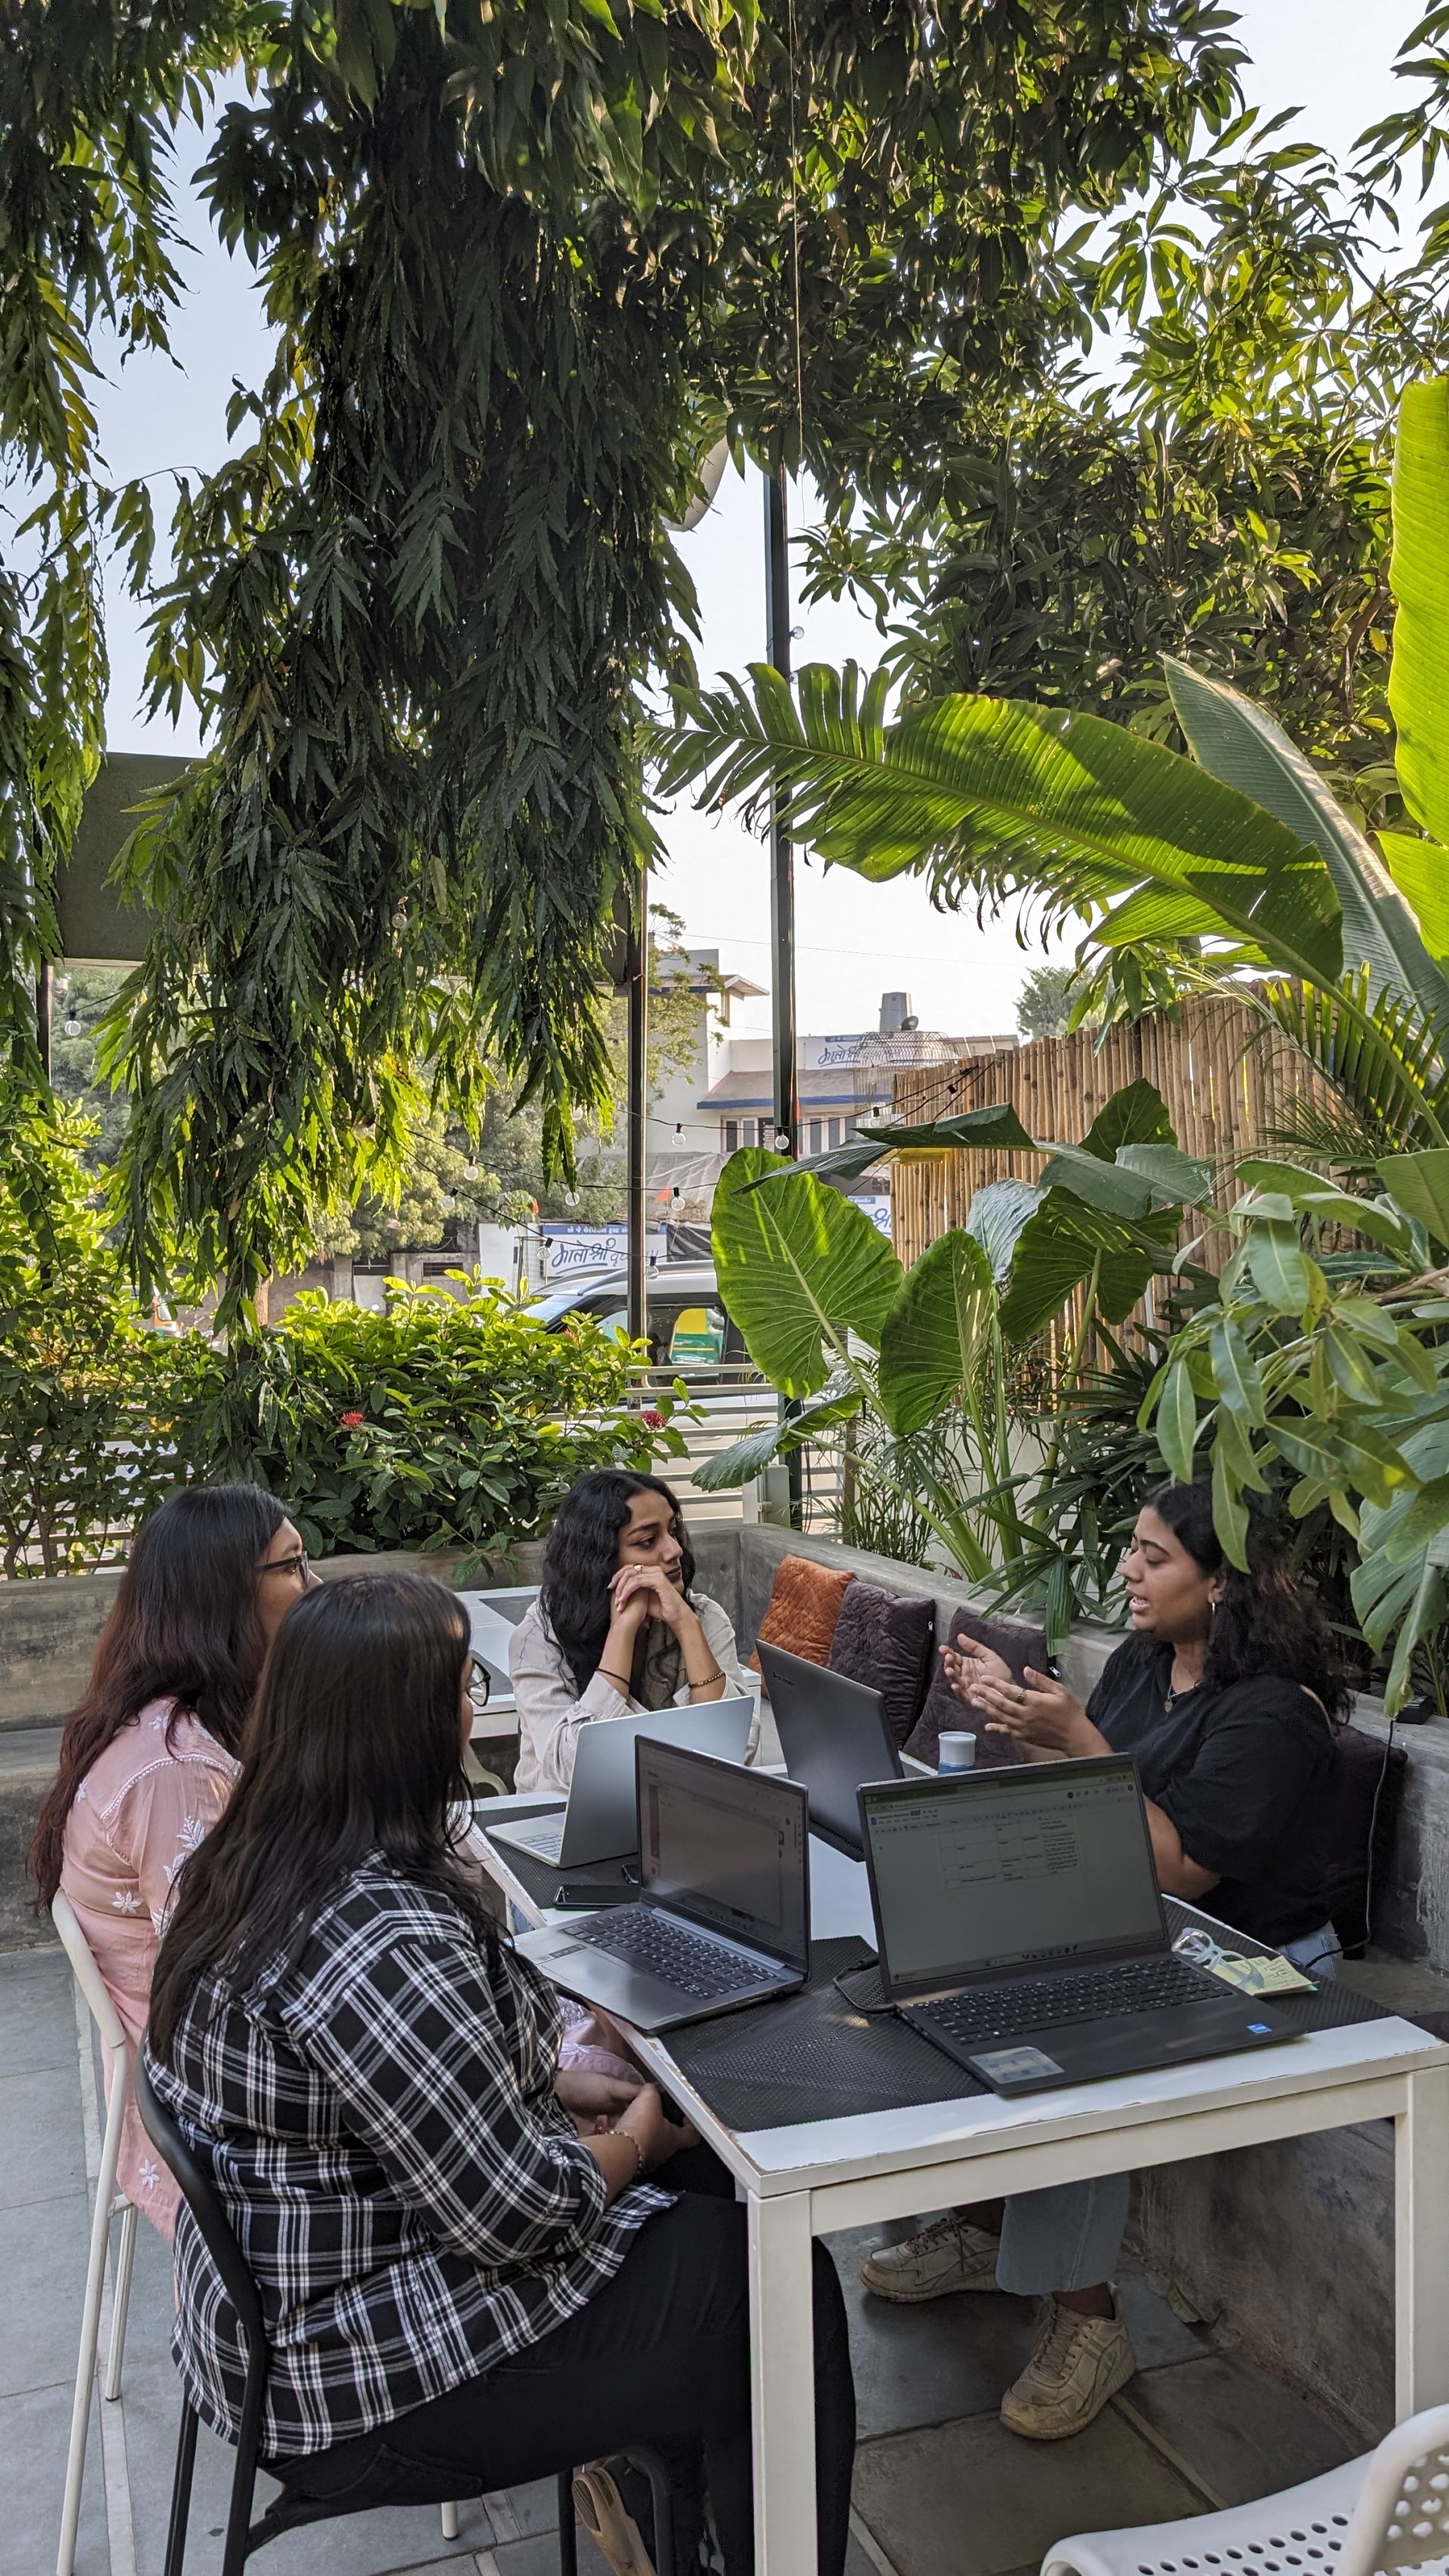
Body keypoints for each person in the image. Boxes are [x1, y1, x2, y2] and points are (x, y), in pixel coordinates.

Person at [144, 1573, 855, 2576]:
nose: (474, 1703)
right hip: (353, 2377)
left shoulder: (244, 1860)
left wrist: (560, 2090)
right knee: (776, 2288)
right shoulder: (381, 1933)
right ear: (405, 1724)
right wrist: (638, 2136)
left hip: (277, 2315)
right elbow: (517, 2215)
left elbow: (370, 2081)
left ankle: (677, 2537)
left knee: (711, 2196)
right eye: (458, 1685)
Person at [860, 1479, 1348, 2442]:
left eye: (1153, 1554)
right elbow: (1092, 1807)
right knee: (949, 1957)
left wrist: (1075, 1740)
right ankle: (985, 2219)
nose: (1127, 1567)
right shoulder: (1145, 1659)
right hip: (1133, 1922)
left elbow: (1180, 1868)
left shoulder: (1273, 1717)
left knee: (1070, 2025)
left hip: (1256, 1959)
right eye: (1132, 1546)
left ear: (1222, 1584)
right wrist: (1024, 1724)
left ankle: (1090, 2322)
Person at [30, 1484, 312, 2239]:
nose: (312, 1586)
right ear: (221, 1596)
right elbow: (231, 1975)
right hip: (204, 2097)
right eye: (292, 1565)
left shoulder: (188, 1724)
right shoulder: (174, 1768)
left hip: (197, 2053)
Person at [513, 1469, 752, 1793]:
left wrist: (687, 1627)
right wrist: (622, 1631)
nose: (674, 1551)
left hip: (676, 1814)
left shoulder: (703, 1618)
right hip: (560, 1821)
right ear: (599, 1560)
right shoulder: (539, 1639)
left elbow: (738, 1753)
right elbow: (572, 1768)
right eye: (647, 1541)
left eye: (673, 1531)